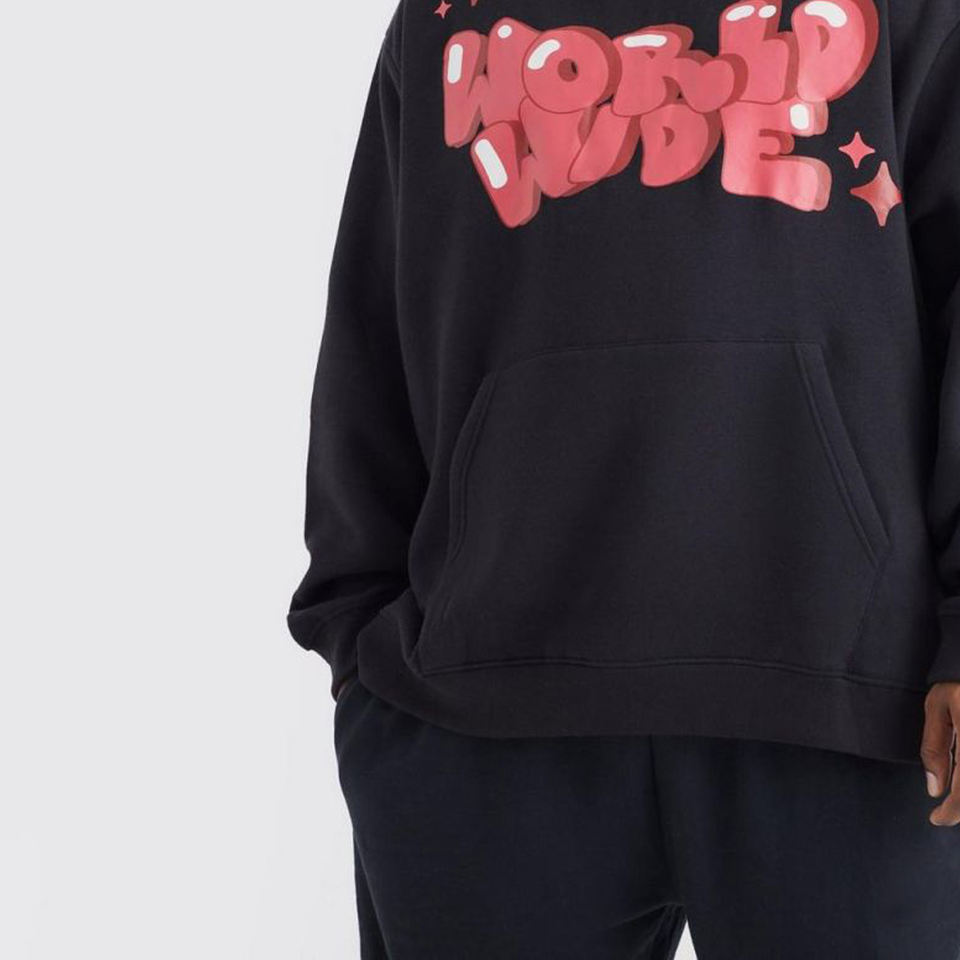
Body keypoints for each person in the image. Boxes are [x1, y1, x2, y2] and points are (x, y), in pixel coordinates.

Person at [290, 0, 960, 956]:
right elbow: (372, 316)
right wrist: (356, 642)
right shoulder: (439, 17)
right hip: (481, 718)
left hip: (854, 708)